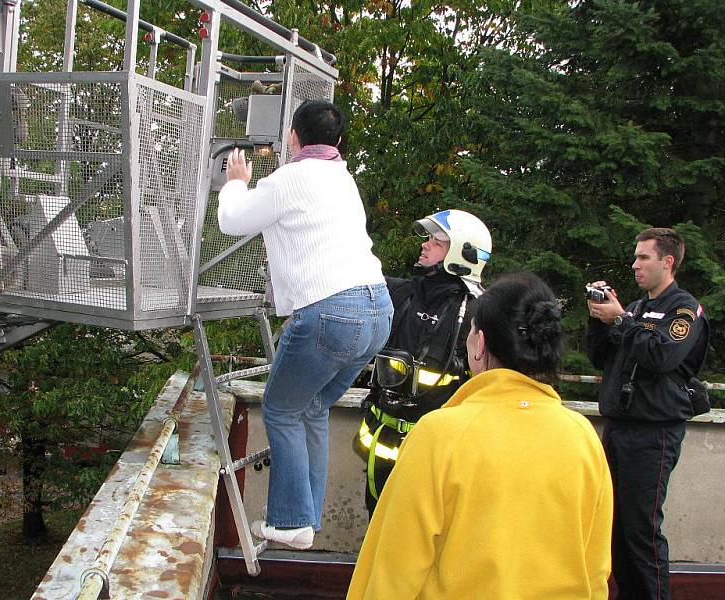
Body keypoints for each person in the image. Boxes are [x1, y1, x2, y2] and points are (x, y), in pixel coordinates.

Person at [348, 273, 613, 600]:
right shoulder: (582, 437)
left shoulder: (439, 434)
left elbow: (392, 570)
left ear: (480, 344)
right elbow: (596, 569)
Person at [218, 100, 392, 550]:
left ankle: (291, 520)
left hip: (332, 314)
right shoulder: (343, 178)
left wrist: (236, 183)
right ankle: (306, 518)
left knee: (281, 409)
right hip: (378, 311)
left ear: (294, 137)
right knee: (313, 408)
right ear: (336, 141)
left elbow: (231, 220)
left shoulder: (290, 179)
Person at [586, 227, 709, 600]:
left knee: (641, 530)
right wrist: (599, 318)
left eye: (643, 257)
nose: (635, 264)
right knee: (616, 529)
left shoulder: (683, 309)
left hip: (653, 433)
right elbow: (601, 358)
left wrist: (621, 320)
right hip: (620, 428)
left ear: (667, 262)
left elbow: (661, 356)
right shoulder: (638, 309)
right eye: (635, 256)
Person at [354, 209, 490, 515]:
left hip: (436, 456)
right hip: (381, 446)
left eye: (437, 242)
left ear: (463, 253)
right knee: (380, 529)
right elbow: (353, 274)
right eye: (428, 239)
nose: (425, 245)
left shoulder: (477, 314)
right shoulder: (401, 293)